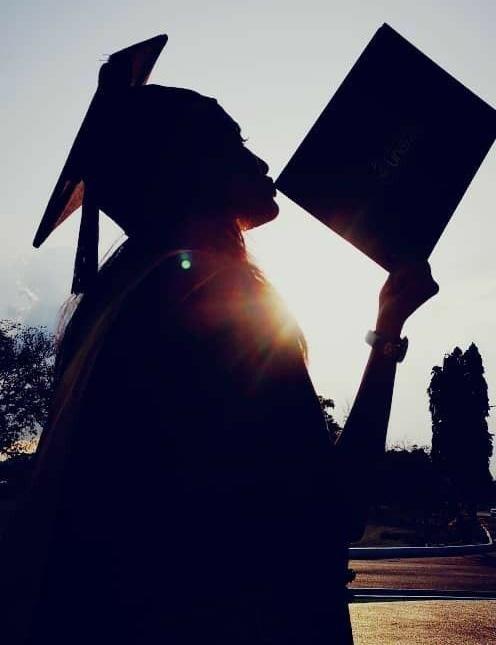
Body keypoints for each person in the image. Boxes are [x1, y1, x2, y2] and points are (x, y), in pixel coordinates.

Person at [1, 48, 439, 645]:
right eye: (234, 143)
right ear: (190, 169)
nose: (260, 160)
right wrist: (387, 332)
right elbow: (334, 508)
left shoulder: (113, 306)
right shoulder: (216, 293)